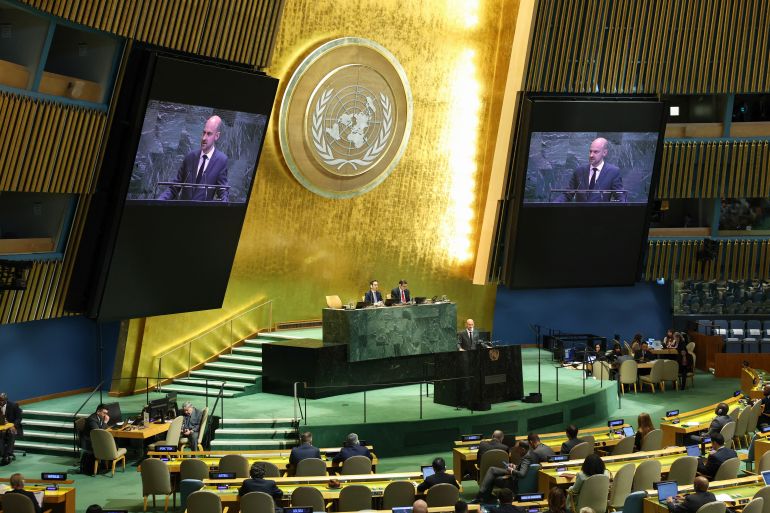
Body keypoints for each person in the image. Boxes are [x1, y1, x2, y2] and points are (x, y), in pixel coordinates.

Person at [159, 115, 229, 201]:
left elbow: (223, 191)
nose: (204, 138)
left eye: (209, 134)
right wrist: (158, 201)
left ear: (217, 136)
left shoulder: (221, 160)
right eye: (204, 133)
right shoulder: (190, 157)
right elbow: (174, 187)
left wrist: (224, 206)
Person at [560, 137, 623, 203]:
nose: (591, 155)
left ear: (604, 153)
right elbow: (567, 194)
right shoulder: (579, 171)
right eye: (590, 151)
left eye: (595, 152)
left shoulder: (613, 172)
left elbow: (621, 196)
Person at [0, 392, 23, 466]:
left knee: (11, 432)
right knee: (1, 434)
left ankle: (7, 455)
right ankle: (3, 454)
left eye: (2, 400)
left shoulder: (14, 405)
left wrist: (13, 425)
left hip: (12, 427)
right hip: (1, 428)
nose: (0, 402)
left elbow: (19, 418)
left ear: (6, 400)